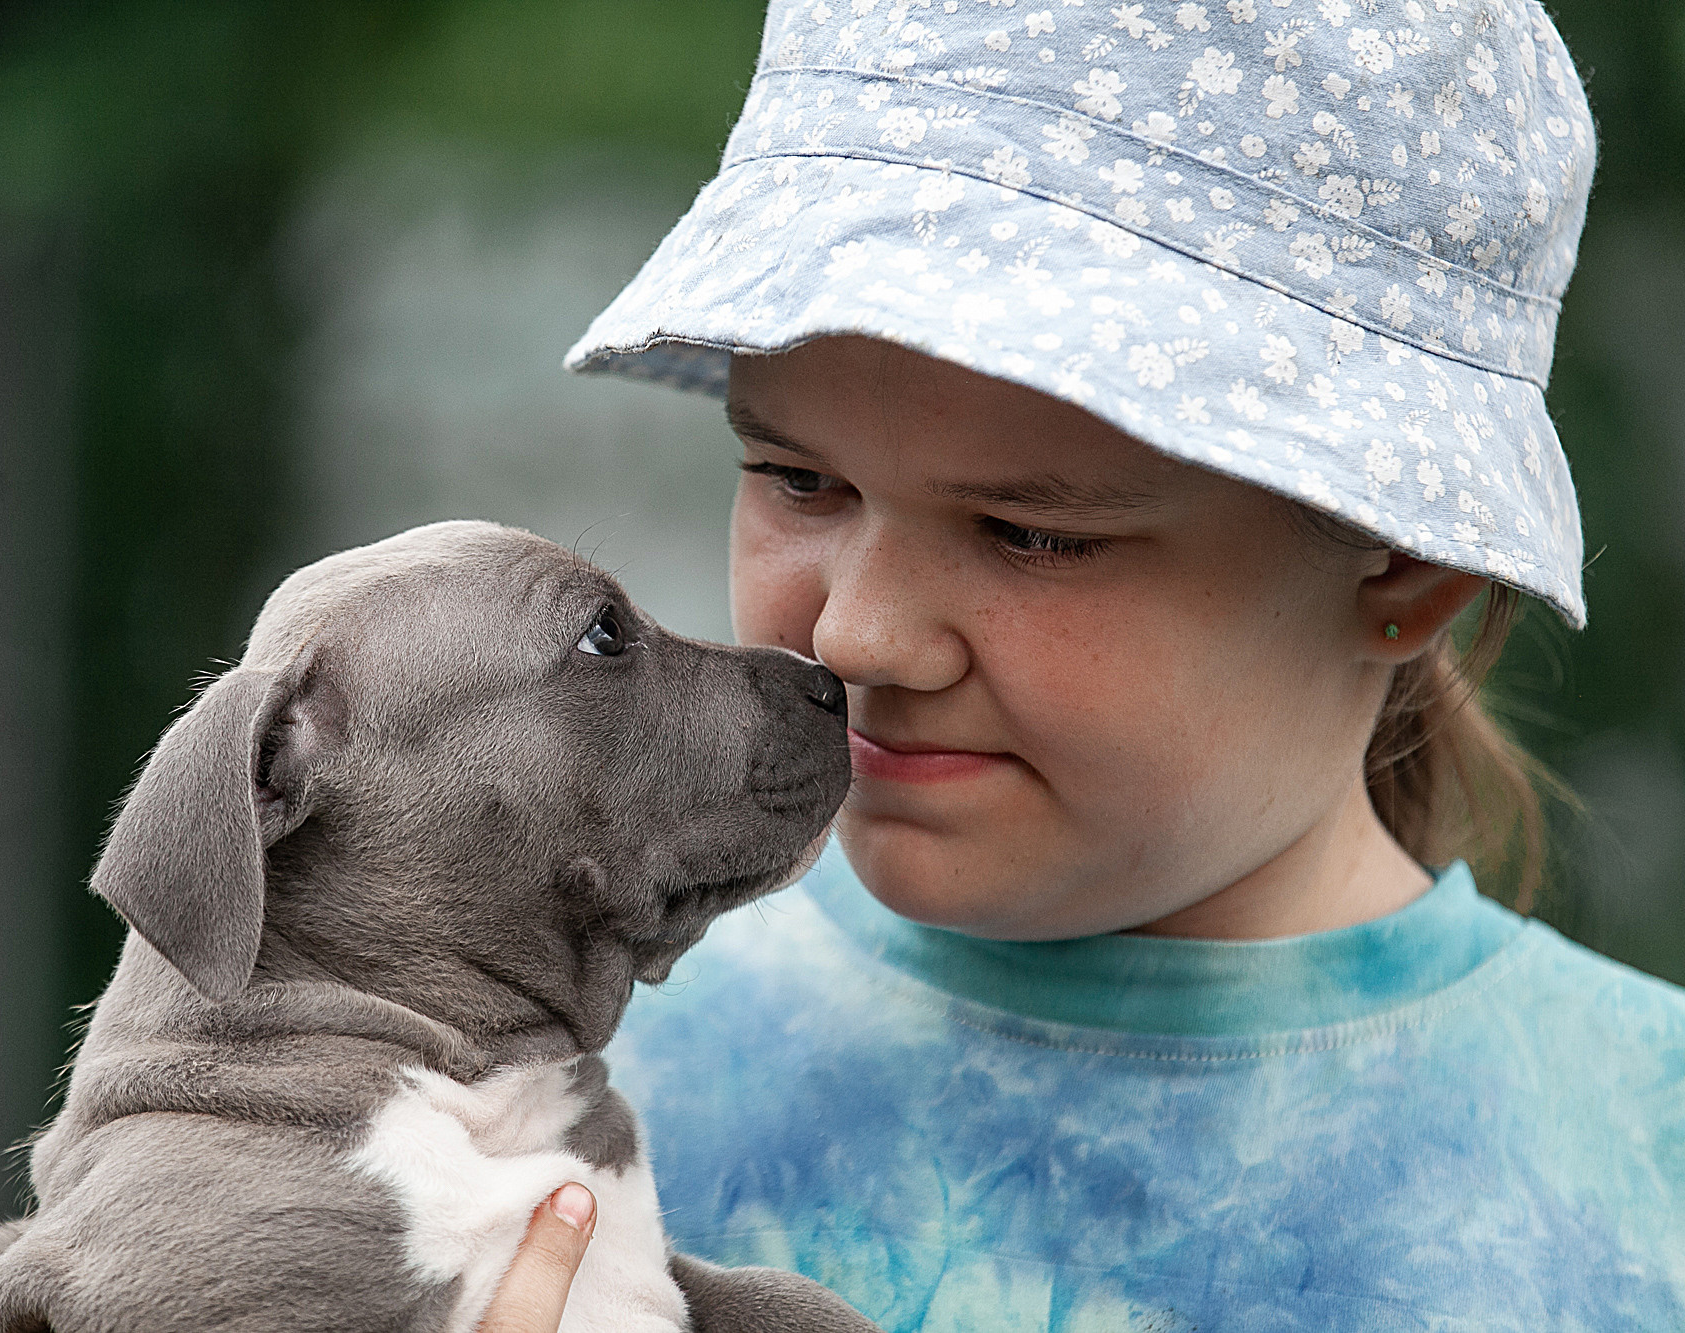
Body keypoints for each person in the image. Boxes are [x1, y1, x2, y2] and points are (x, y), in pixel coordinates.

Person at [486, 0, 1685, 1328]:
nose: (856, 636)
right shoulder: (534, 1092)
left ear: (1403, 569)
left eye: (1032, 531)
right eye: (796, 478)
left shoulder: (1643, 1175)